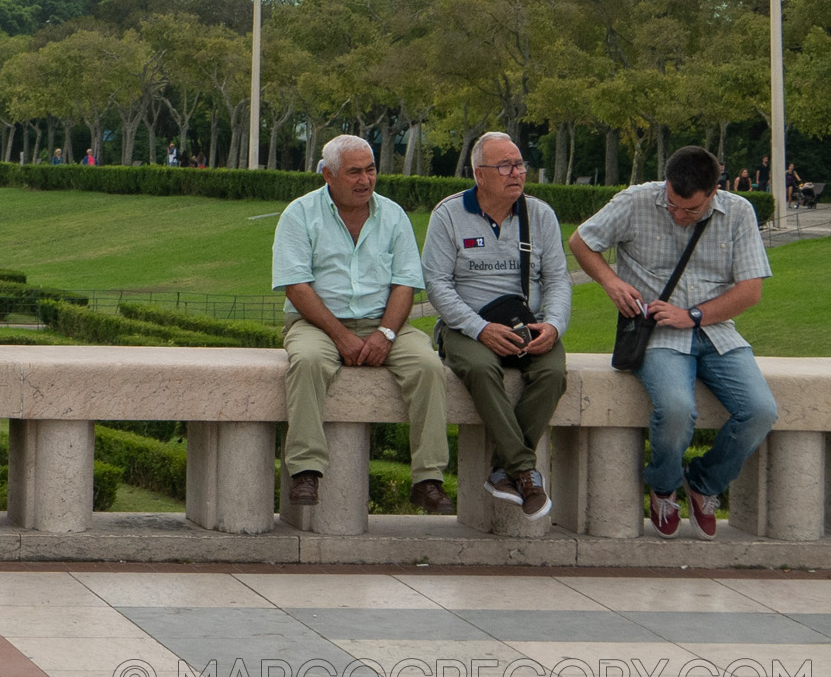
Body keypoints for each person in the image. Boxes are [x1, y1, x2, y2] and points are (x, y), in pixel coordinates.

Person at [571, 145, 773, 538]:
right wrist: (611, 281)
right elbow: (581, 241)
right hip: (656, 331)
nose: (679, 216)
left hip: (714, 330)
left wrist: (693, 315)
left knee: (761, 410)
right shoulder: (635, 201)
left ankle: (703, 484)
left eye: (691, 210)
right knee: (678, 409)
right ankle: (663, 486)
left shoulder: (739, 212)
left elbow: (750, 291)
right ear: (665, 184)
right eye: (673, 206)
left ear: (714, 191)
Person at [272, 134, 454, 513]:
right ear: (328, 175)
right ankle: (306, 470)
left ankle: (428, 479)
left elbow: (406, 284)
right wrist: (340, 336)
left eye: (370, 170)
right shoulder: (299, 214)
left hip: (383, 321)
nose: (365, 180)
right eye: (354, 172)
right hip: (317, 323)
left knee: (428, 366)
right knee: (307, 362)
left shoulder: (393, 215)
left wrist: (386, 334)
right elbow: (296, 287)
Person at [422, 131, 569, 520]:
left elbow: (557, 279)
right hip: (467, 326)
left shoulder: (540, 215)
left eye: (519, 164)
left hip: (527, 322)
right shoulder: (449, 215)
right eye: (504, 166)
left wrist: (552, 326)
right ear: (479, 174)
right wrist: (479, 328)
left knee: (552, 373)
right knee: (482, 369)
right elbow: (436, 283)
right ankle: (523, 470)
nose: (516, 173)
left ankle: (504, 470)